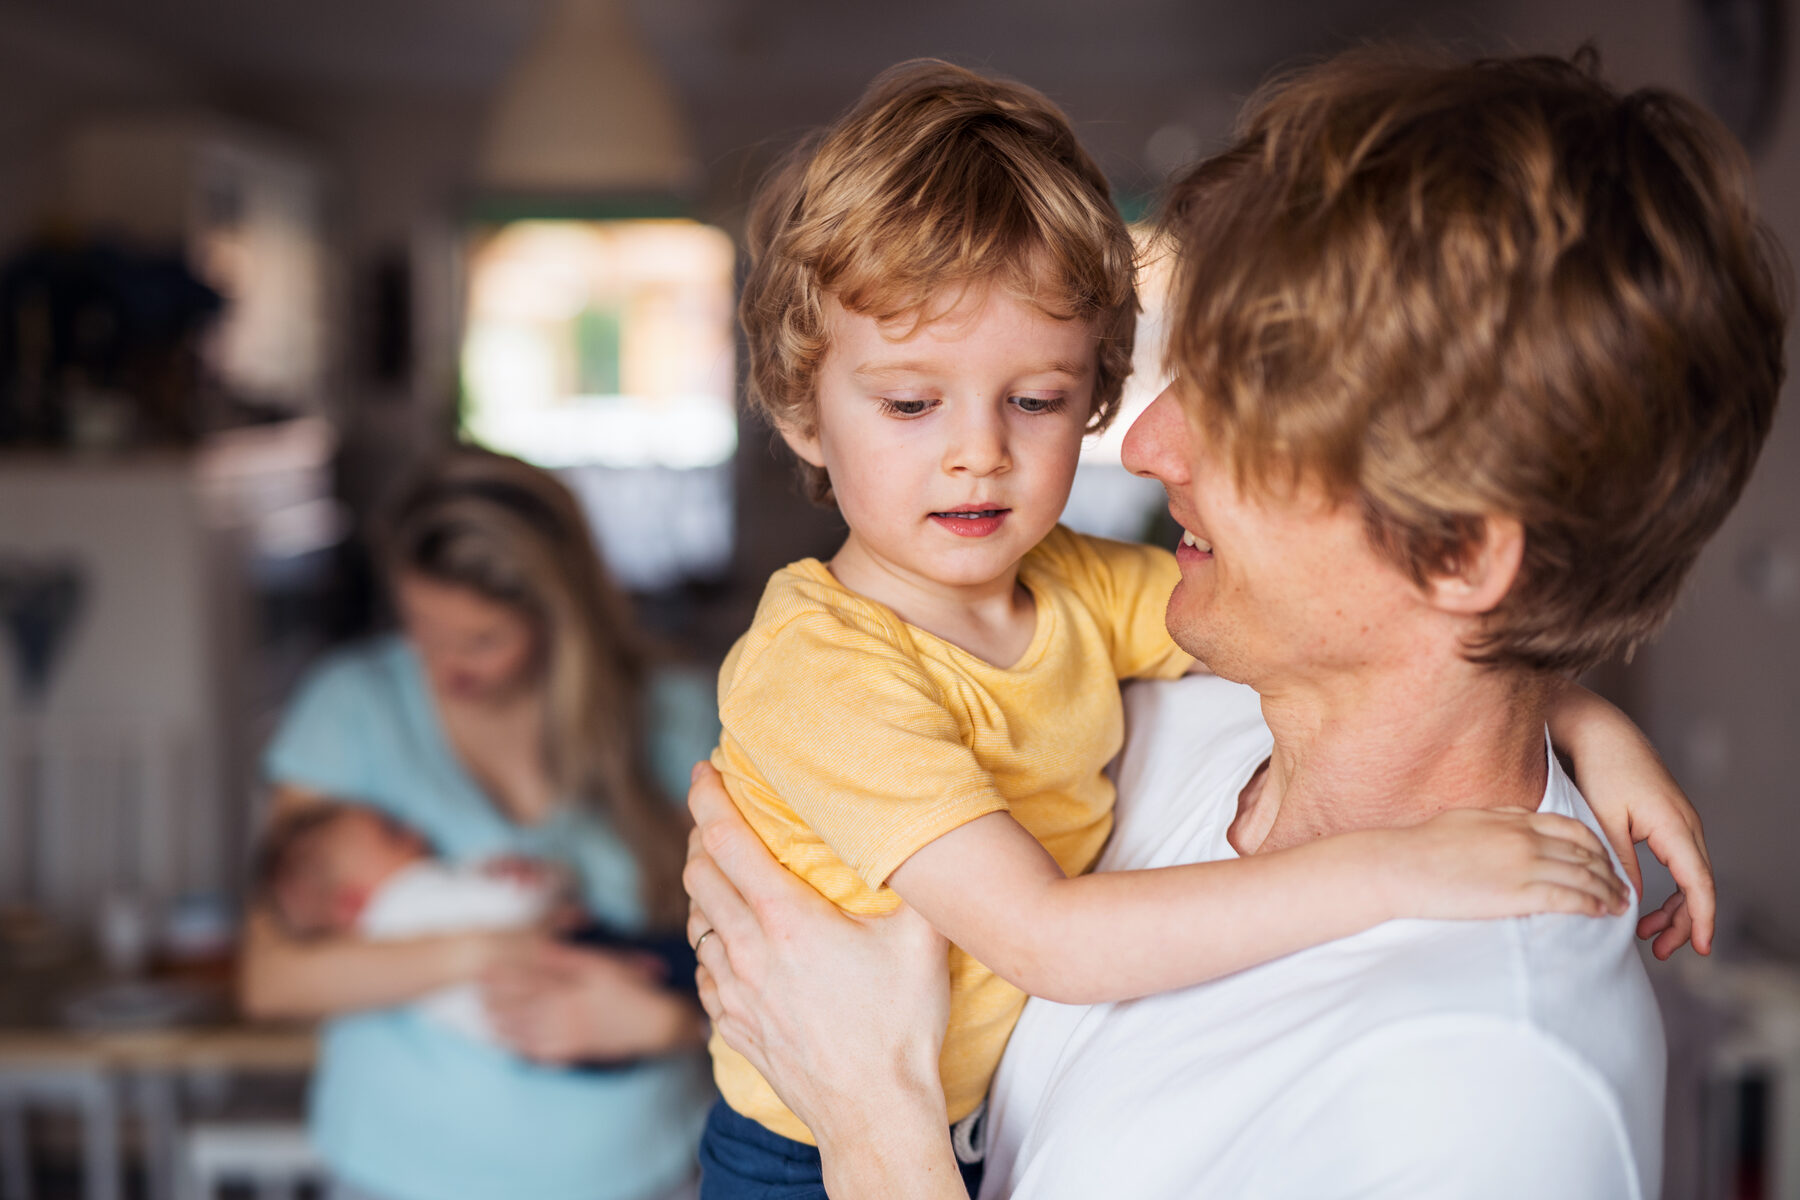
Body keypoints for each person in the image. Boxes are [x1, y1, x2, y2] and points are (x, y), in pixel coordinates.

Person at [684, 47, 1786, 1199]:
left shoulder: (1485, 1098)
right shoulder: (1194, 710)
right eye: (914, 401)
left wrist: (873, 1124)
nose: (1148, 445)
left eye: (1239, 407)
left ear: (1461, 553)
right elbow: (1047, 935)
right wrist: (1577, 712)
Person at [238, 450, 714, 1200]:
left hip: (649, 1171)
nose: (446, 666)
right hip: (400, 1177)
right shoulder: (353, 708)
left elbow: (771, 961)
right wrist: (495, 944)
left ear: (561, 617)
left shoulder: (676, 714)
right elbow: (273, 977)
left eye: (483, 640)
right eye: (423, 629)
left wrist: (665, 1025)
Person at [252, 802, 696, 1058]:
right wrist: (541, 879)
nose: (414, 830)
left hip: (545, 1025)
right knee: (688, 962)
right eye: (391, 833)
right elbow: (512, 905)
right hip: (572, 969)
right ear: (351, 901)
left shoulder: (383, 941)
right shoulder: (405, 901)